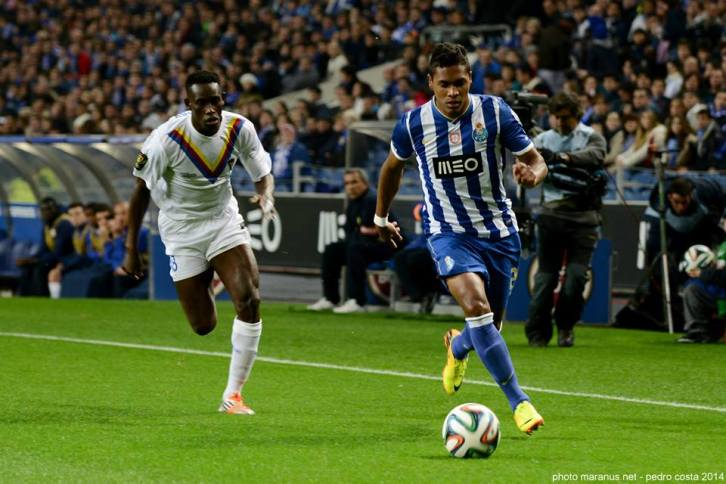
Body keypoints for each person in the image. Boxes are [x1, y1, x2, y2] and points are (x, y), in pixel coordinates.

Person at [374, 43, 548, 435]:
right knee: (476, 307)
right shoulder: (414, 124)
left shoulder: (496, 112)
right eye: (444, 85)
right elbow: (391, 169)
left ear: (470, 78)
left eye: (459, 83)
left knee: (490, 325)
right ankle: (519, 401)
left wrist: (533, 176)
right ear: (430, 83)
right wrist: (380, 216)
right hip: (448, 232)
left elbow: (536, 160)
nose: (453, 92)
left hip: (499, 232)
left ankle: (458, 347)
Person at [122, 70, 275, 416]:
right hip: (181, 230)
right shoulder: (165, 140)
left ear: (223, 100)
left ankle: (233, 395)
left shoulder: (240, 128)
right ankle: (211, 273)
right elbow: (139, 192)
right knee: (203, 326)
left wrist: (267, 196)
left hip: (223, 221)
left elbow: (262, 174)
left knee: (249, 299)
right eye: (201, 102)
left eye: (215, 101)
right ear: (188, 104)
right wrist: (132, 249)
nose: (210, 109)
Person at [525, 92, 608, 347]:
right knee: (545, 278)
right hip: (550, 215)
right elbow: (527, 166)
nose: (560, 122)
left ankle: (566, 326)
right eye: (557, 117)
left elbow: (596, 155)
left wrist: (561, 157)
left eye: (566, 118)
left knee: (576, 277)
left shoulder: (591, 136)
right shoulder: (542, 139)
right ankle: (537, 332)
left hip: (584, 218)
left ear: (577, 115)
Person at [307, 168, 400, 314]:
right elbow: (351, 231)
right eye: (347, 183)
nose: (350, 187)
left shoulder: (372, 200)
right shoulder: (353, 203)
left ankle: (357, 301)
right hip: (364, 246)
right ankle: (330, 299)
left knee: (355, 249)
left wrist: (363, 233)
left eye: (354, 182)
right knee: (332, 250)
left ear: (365, 183)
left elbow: (375, 232)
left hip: (388, 246)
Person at [16, 197, 75, 297]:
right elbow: (43, 249)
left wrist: (37, 261)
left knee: (40, 268)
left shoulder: (64, 224)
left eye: (49, 209)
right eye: (43, 210)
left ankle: (42, 297)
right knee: (27, 268)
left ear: (55, 209)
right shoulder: (47, 226)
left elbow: (59, 251)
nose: (46, 213)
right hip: (52, 259)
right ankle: (24, 297)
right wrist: (31, 259)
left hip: (65, 259)